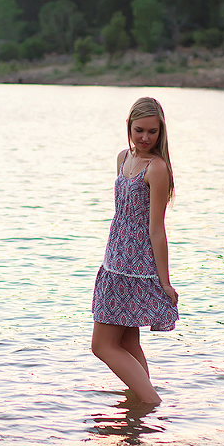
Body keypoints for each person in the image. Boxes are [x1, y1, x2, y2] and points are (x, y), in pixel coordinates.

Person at [91, 97, 179, 405]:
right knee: (127, 341)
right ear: (129, 127)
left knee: (101, 346)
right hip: (114, 259)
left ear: (161, 132)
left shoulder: (157, 169)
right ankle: (139, 412)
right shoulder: (122, 159)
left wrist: (164, 282)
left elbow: (157, 229)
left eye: (152, 132)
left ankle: (151, 402)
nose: (145, 138)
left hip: (135, 267)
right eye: (139, 130)